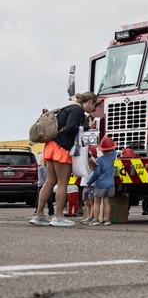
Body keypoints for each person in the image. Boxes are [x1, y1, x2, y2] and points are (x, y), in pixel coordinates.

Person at [30, 92, 99, 227]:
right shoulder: (78, 109)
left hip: (51, 145)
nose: (93, 110)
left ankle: (38, 215)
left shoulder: (67, 107)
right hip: (61, 149)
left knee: (50, 181)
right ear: (90, 101)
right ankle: (58, 216)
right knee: (63, 183)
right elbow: (70, 129)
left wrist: (89, 156)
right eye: (94, 106)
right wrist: (87, 127)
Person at [90, 136, 119, 225]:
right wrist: (111, 144)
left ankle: (96, 219)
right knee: (107, 202)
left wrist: (90, 181)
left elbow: (96, 174)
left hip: (100, 185)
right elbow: (114, 150)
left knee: (97, 202)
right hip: (110, 184)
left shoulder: (99, 160)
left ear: (101, 149)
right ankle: (107, 219)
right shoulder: (112, 158)